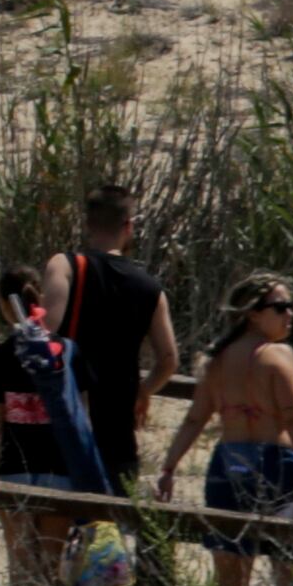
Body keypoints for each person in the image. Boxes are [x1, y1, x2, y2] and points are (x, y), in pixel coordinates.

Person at [150, 275, 293, 586]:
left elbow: (195, 418)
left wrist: (169, 467)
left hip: (229, 465)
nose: (290, 314)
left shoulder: (216, 360)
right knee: (292, 576)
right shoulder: (279, 356)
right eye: (280, 308)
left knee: (228, 582)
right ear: (253, 315)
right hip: (277, 464)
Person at [0, 265, 112, 586]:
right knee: (55, 561)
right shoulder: (68, 352)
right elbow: (82, 416)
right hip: (61, 466)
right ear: (39, 297)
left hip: (13, 467)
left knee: (20, 565)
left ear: (2, 304)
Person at [38, 184, 180, 491]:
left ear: (88, 224)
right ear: (128, 227)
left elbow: (45, 330)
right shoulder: (150, 288)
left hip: (65, 418)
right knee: (110, 528)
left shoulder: (65, 266)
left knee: (53, 526)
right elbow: (168, 360)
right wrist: (143, 392)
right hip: (117, 429)